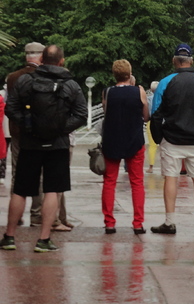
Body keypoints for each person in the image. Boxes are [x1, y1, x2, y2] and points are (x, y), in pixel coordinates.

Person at [1, 45, 87, 253]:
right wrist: (60, 129)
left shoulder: (25, 81)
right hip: (57, 145)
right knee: (52, 191)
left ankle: (10, 236)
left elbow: (10, 108)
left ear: (41, 59)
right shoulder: (71, 85)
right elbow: (82, 114)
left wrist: (28, 126)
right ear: (62, 61)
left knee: (20, 191)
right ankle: (44, 239)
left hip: (30, 143)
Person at [149, 43, 194, 235]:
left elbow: (155, 113)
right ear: (192, 60)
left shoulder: (166, 82)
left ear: (174, 61)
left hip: (172, 138)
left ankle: (170, 222)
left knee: (170, 178)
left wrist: (158, 138)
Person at [101, 60, 149, 234]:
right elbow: (146, 116)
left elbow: (107, 114)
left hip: (112, 140)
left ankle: (109, 222)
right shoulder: (139, 91)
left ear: (114, 74)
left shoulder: (107, 92)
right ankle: (137, 223)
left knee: (109, 182)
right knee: (137, 183)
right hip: (134, 140)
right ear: (130, 74)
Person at [4, 42, 44, 223]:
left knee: (17, 173)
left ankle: (16, 214)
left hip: (18, 132)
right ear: (41, 57)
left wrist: (20, 121)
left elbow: (9, 106)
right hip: (40, 132)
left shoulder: (12, 77)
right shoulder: (44, 76)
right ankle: (37, 214)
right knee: (40, 173)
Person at [145, 81, 160, 173]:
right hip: (162, 122)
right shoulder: (164, 99)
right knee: (164, 145)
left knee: (152, 146)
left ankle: (151, 167)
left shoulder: (148, 99)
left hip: (151, 122)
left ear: (151, 89)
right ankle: (166, 166)